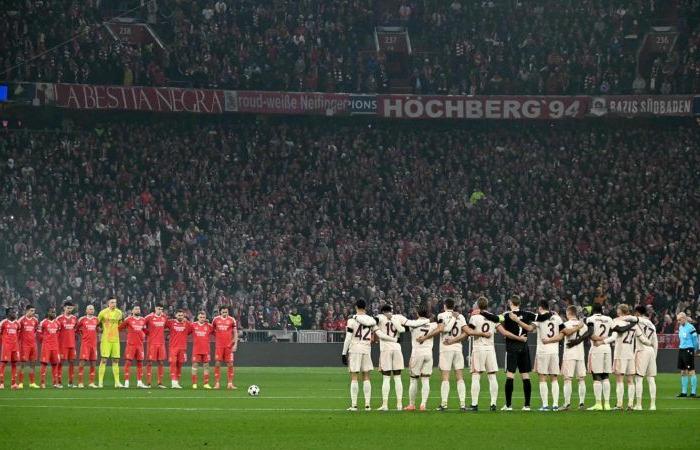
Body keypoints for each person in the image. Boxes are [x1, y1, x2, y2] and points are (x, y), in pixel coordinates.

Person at [447, 296, 522, 411]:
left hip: (478, 348)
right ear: (487, 306)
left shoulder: (474, 317)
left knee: (476, 376)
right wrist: (518, 338)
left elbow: (469, 332)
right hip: (490, 350)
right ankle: (493, 404)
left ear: (477, 305)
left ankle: (474, 404)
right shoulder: (493, 317)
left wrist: (453, 340)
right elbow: (504, 332)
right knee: (492, 376)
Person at [418, 298, 482, 411]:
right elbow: (466, 332)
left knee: (445, 377)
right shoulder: (460, 316)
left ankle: (444, 404)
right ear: (454, 306)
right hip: (458, 348)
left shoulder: (441, 315)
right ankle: (462, 404)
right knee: (460, 377)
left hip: (445, 348)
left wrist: (425, 337)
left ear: (444, 306)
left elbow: (440, 330)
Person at [488, 295, 549, 411]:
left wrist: (481, 313)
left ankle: (508, 405)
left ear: (511, 303)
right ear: (519, 303)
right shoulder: (527, 313)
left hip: (512, 347)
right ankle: (527, 405)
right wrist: (551, 314)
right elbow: (541, 317)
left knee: (510, 375)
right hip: (524, 347)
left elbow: (494, 318)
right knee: (525, 376)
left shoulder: (506, 315)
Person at [541, 305, 586, 410]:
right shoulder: (583, 325)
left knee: (567, 379)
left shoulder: (565, 325)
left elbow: (559, 337)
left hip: (569, 354)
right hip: (580, 354)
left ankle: (567, 404)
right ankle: (581, 403)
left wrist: (548, 340)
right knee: (581, 379)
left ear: (568, 313)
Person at [572, 303, 614, 410]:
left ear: (593, 311)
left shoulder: (590, 319)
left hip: (596, 349)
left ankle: (599, 404)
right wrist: (604, 340)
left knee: (596, 376)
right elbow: (615, 334)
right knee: (605, 376)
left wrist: (597, 339)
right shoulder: (609, 319)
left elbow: (589, 332)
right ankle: (607, 404)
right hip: (607, 348)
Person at [341, 299, 377, 411]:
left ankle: (354, 405)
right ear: (365, 307)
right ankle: (367, 405)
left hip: (355, 348)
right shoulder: (371, 319)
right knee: (366, 376)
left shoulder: (352, 320)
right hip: (366, 349)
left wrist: (343, 353)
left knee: (354, 376)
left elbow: (348, 338)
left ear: (356, 307)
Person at [374, 304, 412, 411]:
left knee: (386, 378)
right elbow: (407, 328)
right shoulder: (397, 318)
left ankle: (385, 405)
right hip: (397, 348)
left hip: (386, 348)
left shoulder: (381, 317)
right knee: (397, 377)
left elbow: (375, 320)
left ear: (382, 311)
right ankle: (399, 405)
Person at [603, 304, 637, 409]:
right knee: (631, 380)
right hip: (630, 354)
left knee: (619, 379)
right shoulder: (633, 323)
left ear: (620, 311)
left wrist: (603, 342)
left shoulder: (616, 321)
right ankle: (630, 404)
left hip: (620, 353)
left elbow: (614, 336)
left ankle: (619, 404)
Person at [404, 307, 433, 411]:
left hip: (417, 352)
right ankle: (423, 405)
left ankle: (411, 405)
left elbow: (403, 329)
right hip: (428, 353)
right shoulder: (432, 325)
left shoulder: (413, 324)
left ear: (417, 314)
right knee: (425, 380)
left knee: (413, 379)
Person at [632, 305, 658, 410]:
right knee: (651, 378)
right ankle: (653, 405)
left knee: (639, 378)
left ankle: (639, 404)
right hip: (651, 351)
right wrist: (654, 356)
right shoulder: (652, 324)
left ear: (637, 313)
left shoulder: (637, 322)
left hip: (641, 350)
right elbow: (655, 343)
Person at [119, 305, 148, 389]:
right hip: (131, 345)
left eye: (138, 309)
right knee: (128, 362)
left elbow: (145, 330)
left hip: (140, 345)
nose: (137, 310)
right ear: (132, 311)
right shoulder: (128, 319)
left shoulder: (143, 320)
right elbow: (120, 328)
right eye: (135, 309)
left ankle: (139, 382)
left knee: (140, 363)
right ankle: (126, 382)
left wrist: (143, 335)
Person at [97, 298, 124, 388]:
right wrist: (101, 330)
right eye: (112, 302)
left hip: (116, 339)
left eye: (115, 302)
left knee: (116, 360)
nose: (114, 304)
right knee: (104, 360)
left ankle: (117, 383)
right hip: (106, 339)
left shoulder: (119, 313)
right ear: (108, 303)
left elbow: (120, 324)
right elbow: (97, 324)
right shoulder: (102, 313)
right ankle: (100, 382)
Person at [212, 306, 238, 389]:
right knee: (217, 363)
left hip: (229, 346)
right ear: (220, 312)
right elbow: (212, 330)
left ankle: (230, 383)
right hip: (219, 346)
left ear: (228, 312)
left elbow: (235, 332)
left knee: (230, 364)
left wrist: (235, 344)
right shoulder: (215, 320)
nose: (224, 314)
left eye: (226, 312)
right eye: (223, 312)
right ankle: (217, 383)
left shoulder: (232, 320)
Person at [166, 309, 191, 389]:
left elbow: (190, 331)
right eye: (179, 315)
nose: (180, 316)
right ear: (176, 315)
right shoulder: (171, 322)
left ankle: (177, 382)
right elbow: (163, 324)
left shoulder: (187, 324)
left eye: (182, 315)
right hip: (173, 347)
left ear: (184, 316)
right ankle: (173, 382)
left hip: (182, 348)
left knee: (179, 365)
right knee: (173, 364)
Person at [144, 304, 168, 388]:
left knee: (161, 362)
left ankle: (160, 383)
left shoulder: (164, 317)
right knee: (150, 362)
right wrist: (147, 333)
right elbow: (141, 324)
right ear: (155, 309)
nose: (160, 310)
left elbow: (168, 326)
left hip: (161, 343)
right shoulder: (149, 317)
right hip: (152, 343)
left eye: (161, 309)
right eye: (158, 309)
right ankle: (149, 383)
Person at [76, 305, 99, 388]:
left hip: (93, 344)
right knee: (82, 363)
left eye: (92, 309)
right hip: (85, 344)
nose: (91, 310)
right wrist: (82, 334)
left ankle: (91, 382)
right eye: (90, 309)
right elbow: (76, 329)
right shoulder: (82, 319)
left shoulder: (96, 319)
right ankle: (80, 382)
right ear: (86, 310)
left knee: (93, 363)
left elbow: (98, 329)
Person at [38, 308, 62, 388]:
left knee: (55, 364)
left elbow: (58, 333)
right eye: (52, 312)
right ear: (48, 313)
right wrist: (45, 340)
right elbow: (39, 334)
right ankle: (42, 383)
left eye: (55, 312)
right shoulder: (43, 323)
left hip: (55, 347)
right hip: (46, 347)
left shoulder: (58, 323)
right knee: (44, 364)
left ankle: (55, 383)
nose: (54, 313)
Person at [56, 301, 78, 387]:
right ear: (64, 308)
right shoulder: (59, 319)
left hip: (72, 345)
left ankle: (71, 382)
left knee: (72, 362)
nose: (69, 310)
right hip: (62, 345)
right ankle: (59, 382)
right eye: (68, 308)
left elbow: (75, 329)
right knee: (61, 362)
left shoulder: (74, 318)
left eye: (71, 308)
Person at [18, 305, 40, 389]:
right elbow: (18, 332)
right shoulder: (21, 320)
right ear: (26, 310)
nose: (33, 312)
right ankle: (20, 383)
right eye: (31, 311)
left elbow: (35, 331)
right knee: (23, 364)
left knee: (33, 364)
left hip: (33, 345)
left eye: (33, 311)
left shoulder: (35, 320)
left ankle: (32, 382)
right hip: (24, 345)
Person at [676, 312, 698, 397]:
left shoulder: (691, 327)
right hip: (681, 349)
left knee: (691, 371)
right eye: (678, 320)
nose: (678, 321)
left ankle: (693, 392)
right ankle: (684, 392)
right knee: (683, 371)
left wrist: (695, 349)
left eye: (680, 319)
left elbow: (695, 339)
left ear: (684, 318)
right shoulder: (681, 327)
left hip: (689, 349)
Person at [191, 311, 214, 389]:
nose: (202, 319)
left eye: (203, 317)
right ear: (197, 317)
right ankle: (194, 383)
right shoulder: (193, 325)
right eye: (200, 317)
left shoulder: (209, 326)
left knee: (206, 366)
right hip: (196, 349)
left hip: (206, 349)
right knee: (195, 365)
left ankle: (206, 383)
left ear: (205, 318)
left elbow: (216, 331)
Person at [0, 309, 21, 389]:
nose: (14, 313)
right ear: (8, 314)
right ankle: (1, 383)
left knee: (14, 364)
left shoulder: (17, 324)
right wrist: (5, 342)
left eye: (15, 312)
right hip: (6, 346)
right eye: (12, 312)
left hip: (15, 347)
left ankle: (13, 383)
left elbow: (18, 335)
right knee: (3, 364)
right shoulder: (3, 323)